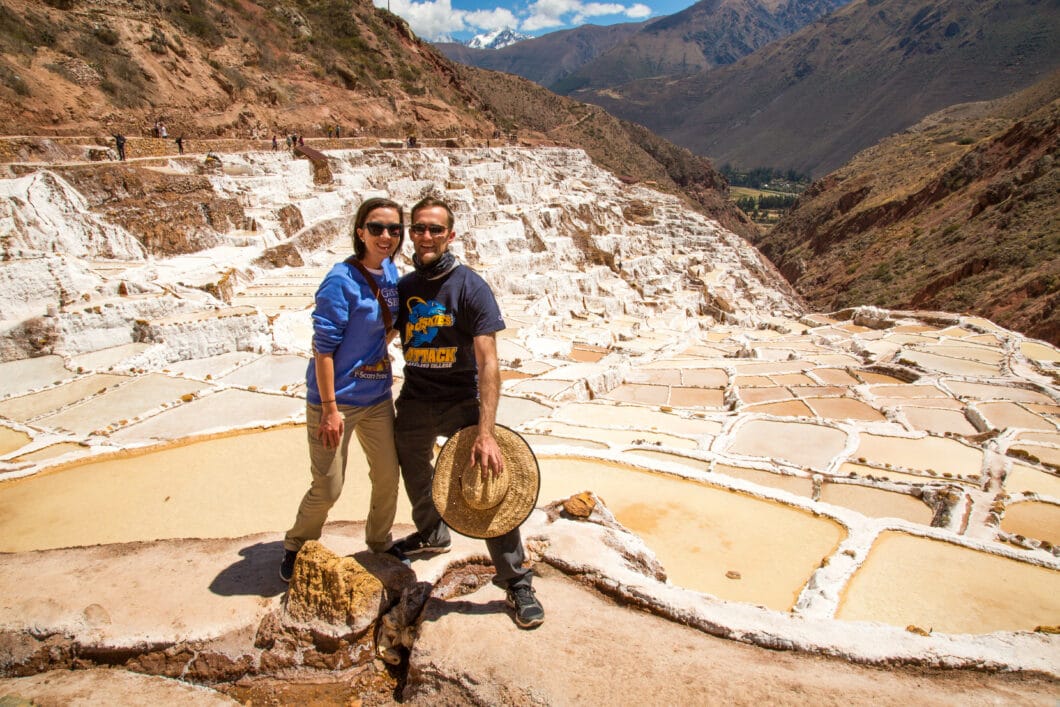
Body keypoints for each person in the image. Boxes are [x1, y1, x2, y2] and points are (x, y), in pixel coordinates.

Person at [392, 196, 545, 629]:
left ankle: (516, 581)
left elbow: (488, 362)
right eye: (419, 228)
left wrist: (486, 431)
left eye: (435, 229)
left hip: (461, 399)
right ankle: (432, 532)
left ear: (450, 235)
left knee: (486, 482)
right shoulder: (404, 289)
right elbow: (377, 334)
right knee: (410, 463)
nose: (426, 236)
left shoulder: (469, 286)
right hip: (417, 398)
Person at [281, 197, 408, 582]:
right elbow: (323, 349)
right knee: (329, 486)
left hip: (376, 398)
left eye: (393, 229)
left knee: (387, 475)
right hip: (335, 402)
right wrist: (331, 409)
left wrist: (377, 349)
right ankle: (297, 544)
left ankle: (380, 541)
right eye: (376, 228)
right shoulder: (340, 280)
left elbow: (385, 326)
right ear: (360, 232)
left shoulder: (389, 272)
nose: (386, 236)